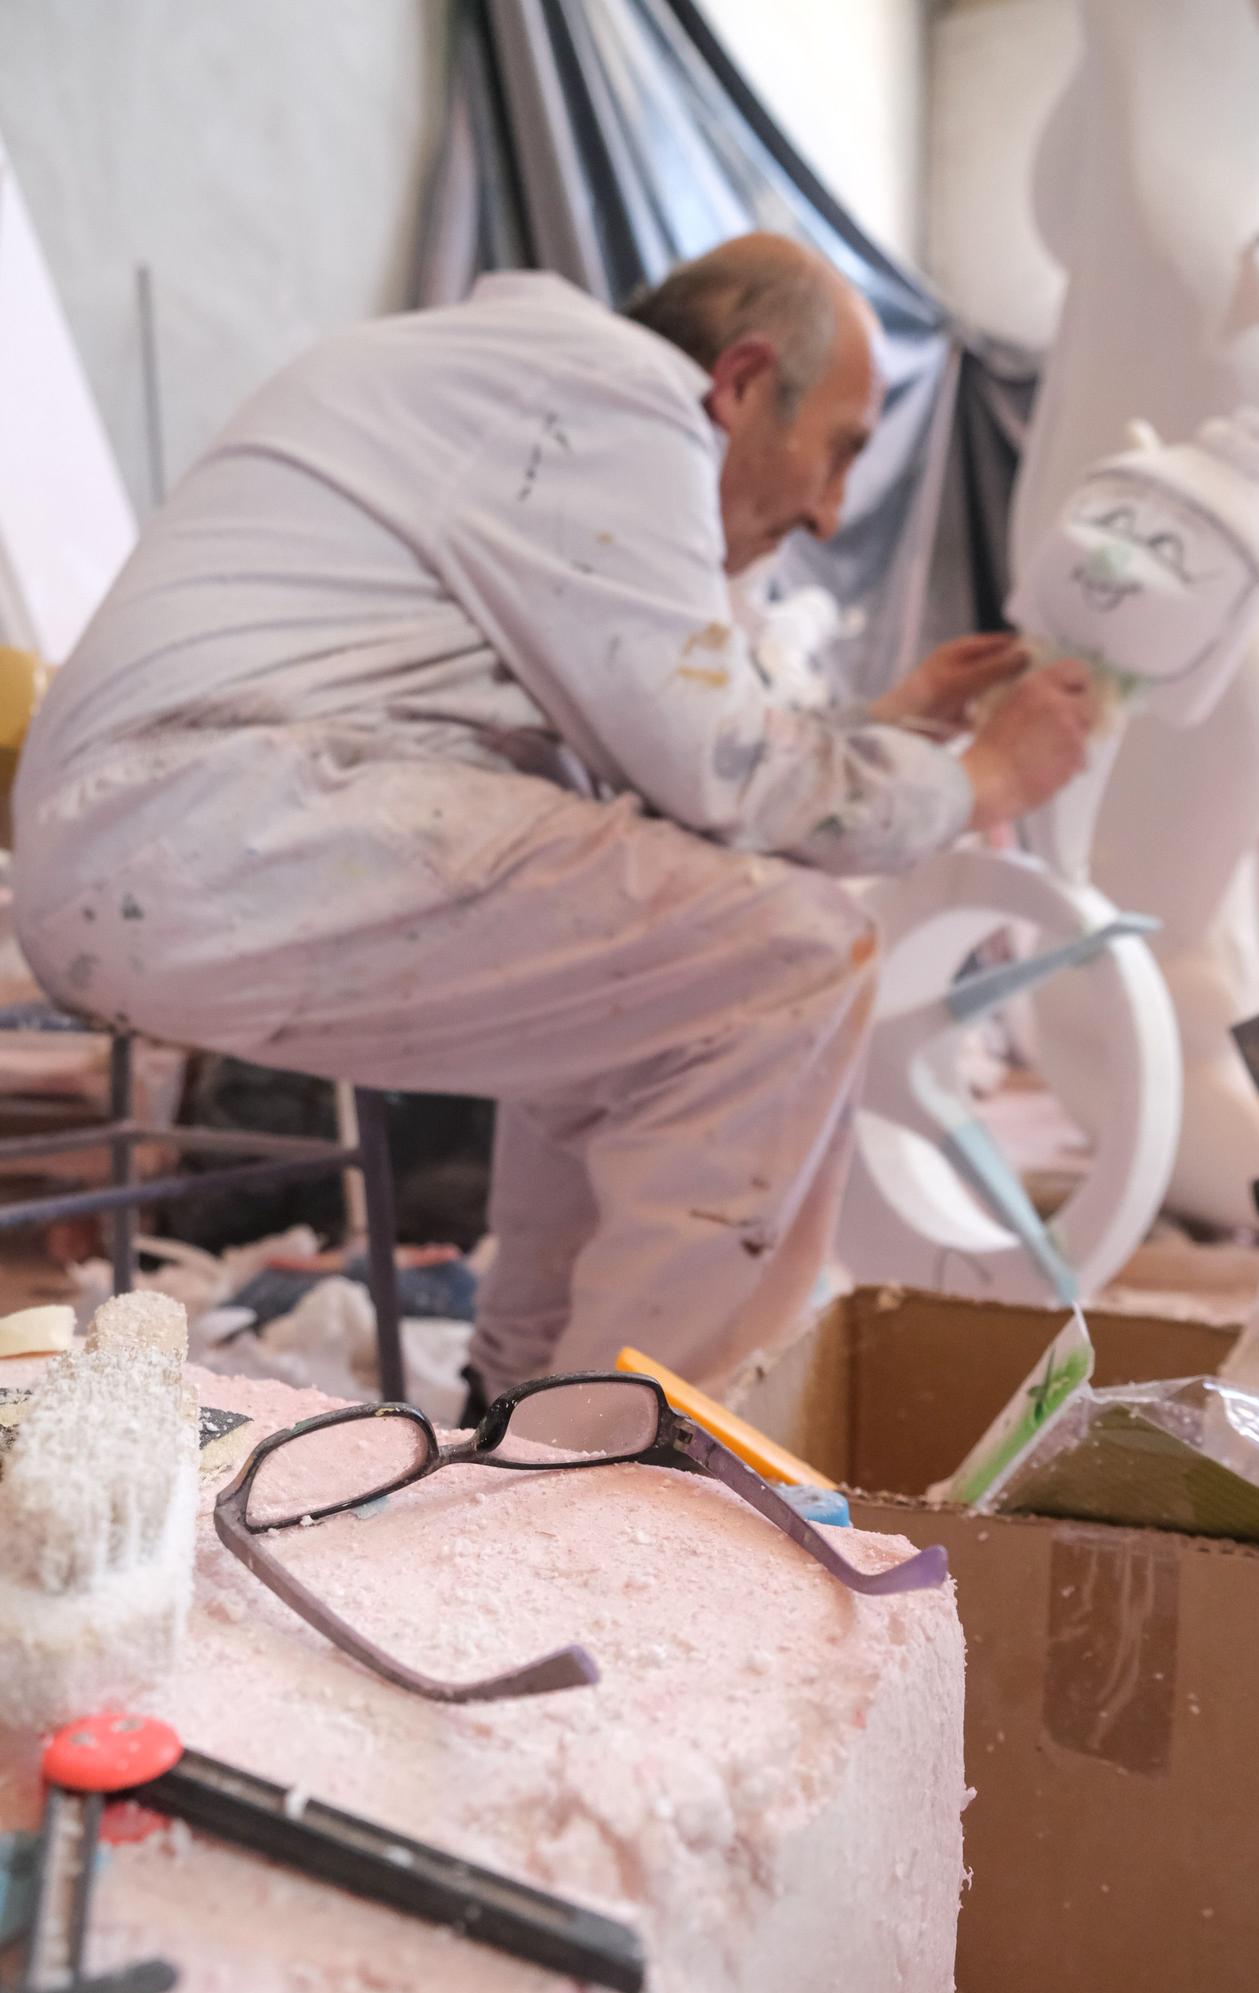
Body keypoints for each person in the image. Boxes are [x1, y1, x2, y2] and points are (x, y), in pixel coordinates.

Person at [13, 233, 1094, 1399]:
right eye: (835, 453)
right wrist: (980, 779)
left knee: (634, 987)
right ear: (735, 383)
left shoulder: (521, 390)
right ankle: (621, 1464)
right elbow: (724, 768)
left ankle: (524, 1409)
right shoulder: (617, 395)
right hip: (212, 817)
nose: (831, 511)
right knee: (794, 961)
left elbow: (673, 767)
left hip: (170, 835)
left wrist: (880, 724)